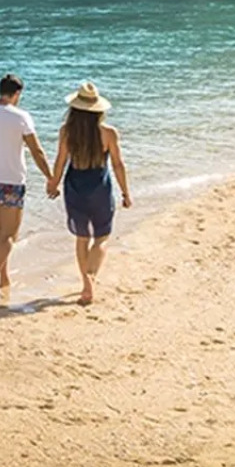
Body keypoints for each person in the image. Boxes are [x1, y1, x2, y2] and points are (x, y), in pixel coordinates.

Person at [0, 74, 54, 299]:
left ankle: (4, 278)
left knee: (2, 232)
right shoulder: (20, 117)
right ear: (17, 94)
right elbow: (37, 151)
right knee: (9, 234)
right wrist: (51, 177)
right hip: (12, 181)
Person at [45, 82, 133, 305]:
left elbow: (61, 161)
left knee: (81, 237)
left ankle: (86, 282)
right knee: (102, 236)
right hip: (100, 187)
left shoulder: (66, 132)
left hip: (74, 186)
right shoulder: (109, 133)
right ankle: (91, 277)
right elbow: (118, 165)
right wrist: (125, 193)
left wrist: (53, 183)